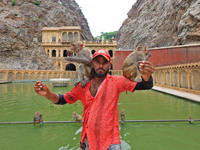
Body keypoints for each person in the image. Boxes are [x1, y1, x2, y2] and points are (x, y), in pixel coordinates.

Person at [34, 49, 155, 150]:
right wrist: (48, 93)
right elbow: (62, 99)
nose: (101, 65)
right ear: (92, 64)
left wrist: (147, 76)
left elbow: (145, 85)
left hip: (111, 143)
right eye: (97, 62)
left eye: (104, 62)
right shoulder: (83, 86)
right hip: (88, 141)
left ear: (109, 65)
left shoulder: (117, 82)